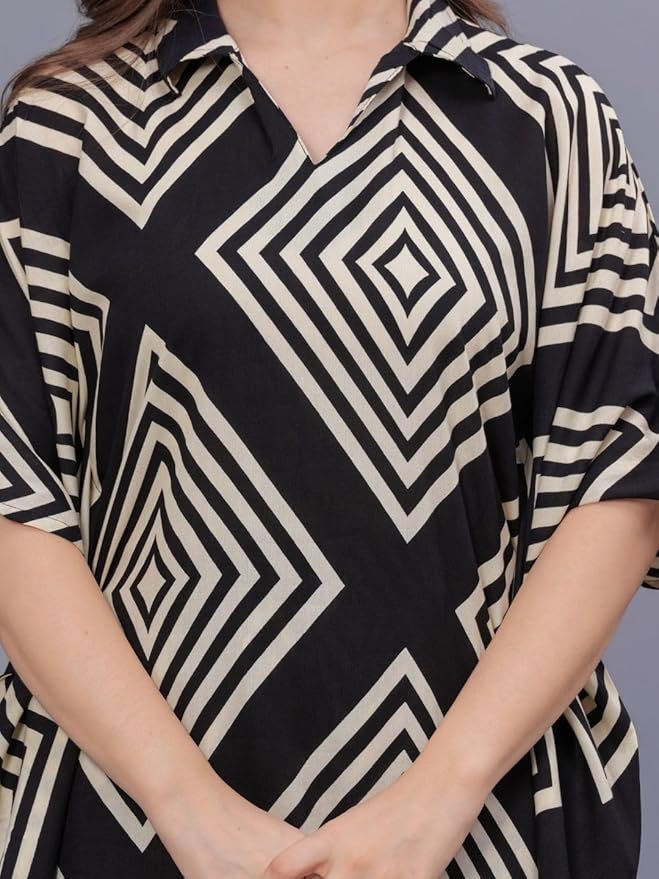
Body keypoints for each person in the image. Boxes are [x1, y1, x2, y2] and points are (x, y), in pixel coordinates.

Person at [0, 0, 657, 876]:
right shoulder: (69, 123)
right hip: (125, 816)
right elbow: (15, 492)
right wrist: (188, 809)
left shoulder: (548, 118)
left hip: (487, 825)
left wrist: (437, 799)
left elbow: (614, 476)